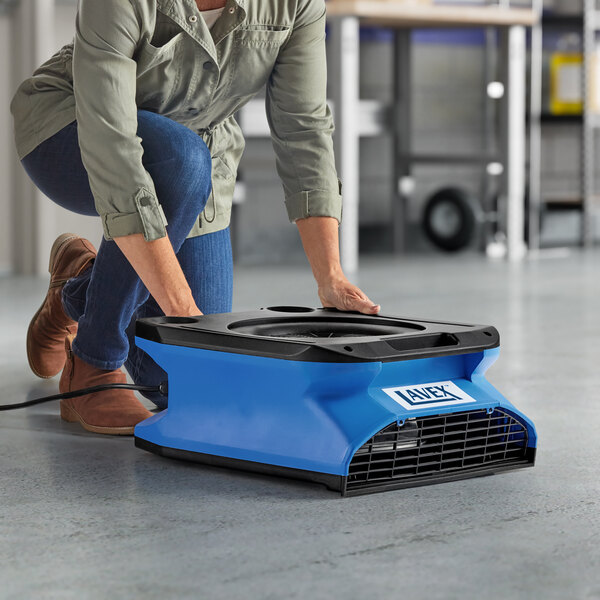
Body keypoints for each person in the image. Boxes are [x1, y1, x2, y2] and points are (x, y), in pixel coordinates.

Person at [10, 0, 380, 436]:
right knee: (178, 163)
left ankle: (82, 286)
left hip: (197, 158)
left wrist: (330, 276)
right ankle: (95, 362)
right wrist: (185, 315)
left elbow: (304, 129)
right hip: (71, 127)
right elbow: (113, 148)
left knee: (180, 384)